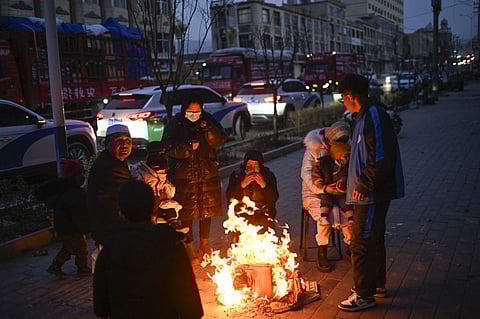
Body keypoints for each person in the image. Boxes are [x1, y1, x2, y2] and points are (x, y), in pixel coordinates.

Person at [337, 73, 405, 312]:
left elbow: (381, 156)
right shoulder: (361, 116)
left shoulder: (373, 115)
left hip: (371, 194)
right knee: (373, 237)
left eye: (342, 97)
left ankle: (363, 295)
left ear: (351, 96)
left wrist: (364, 185)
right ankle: (377, 284)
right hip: (367, 191)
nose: (342, 101)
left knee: (360, 241)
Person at [93, 180, 203, 319]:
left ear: (121, 212)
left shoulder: (109, 250)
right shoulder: (171, 247)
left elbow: (101, 308)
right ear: (154, 209)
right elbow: (192, 310)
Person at [162, 96, 227, 260]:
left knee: (206, 211)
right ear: (184, 110)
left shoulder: (207, 121)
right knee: (186, 212)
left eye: (197, 111)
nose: (194, 114)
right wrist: (188, 148)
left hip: (206, 174)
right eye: (190, 111)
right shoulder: (175, 123)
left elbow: (219, 140)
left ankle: (205, 245)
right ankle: (189, 246)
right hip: (184, 176)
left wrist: (207, 128)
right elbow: (168, 147)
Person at [301, 122, 353, 272]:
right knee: (325, 215)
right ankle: (322, 250)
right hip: (315, 191)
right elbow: (306, 174)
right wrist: (323, 188)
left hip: (338, 190)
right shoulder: (314, 148)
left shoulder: (344, 149)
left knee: (347, 210)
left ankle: (351, 246)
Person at [35, 159, 91, 279]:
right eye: (80, 174)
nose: (83, 177)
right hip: (71, 228)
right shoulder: (73, 195)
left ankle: (55, 266)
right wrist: (87, 228)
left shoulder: (67, 191)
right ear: (74, 176)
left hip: (65, 227)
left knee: (68, 248)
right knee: (81, 248)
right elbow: (79, 215)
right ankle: (82, 268)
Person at [87, 124, 132, 246]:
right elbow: (129, 195)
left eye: (128, 141)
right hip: (111, 226)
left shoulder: (114, 160)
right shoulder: (111, 167)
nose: (124, 145)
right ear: (107, 144)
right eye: (118, 141)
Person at [226, 150, 279, 234]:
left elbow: (273, 198)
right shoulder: (237, 175)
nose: (252, 168)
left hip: (262, 214)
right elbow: (229, 195)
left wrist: (263, 185)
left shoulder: (268, 176)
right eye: (249, 165)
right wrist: (242, 184)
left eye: (255, 165)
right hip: (243, 214)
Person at [130, 141, 182, 225]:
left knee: (169, 210)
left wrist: (166, 194)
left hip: (162, 203)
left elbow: (169, 188)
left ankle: (173, 224)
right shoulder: (142, 174)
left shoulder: (161, 174)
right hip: (149, 206)